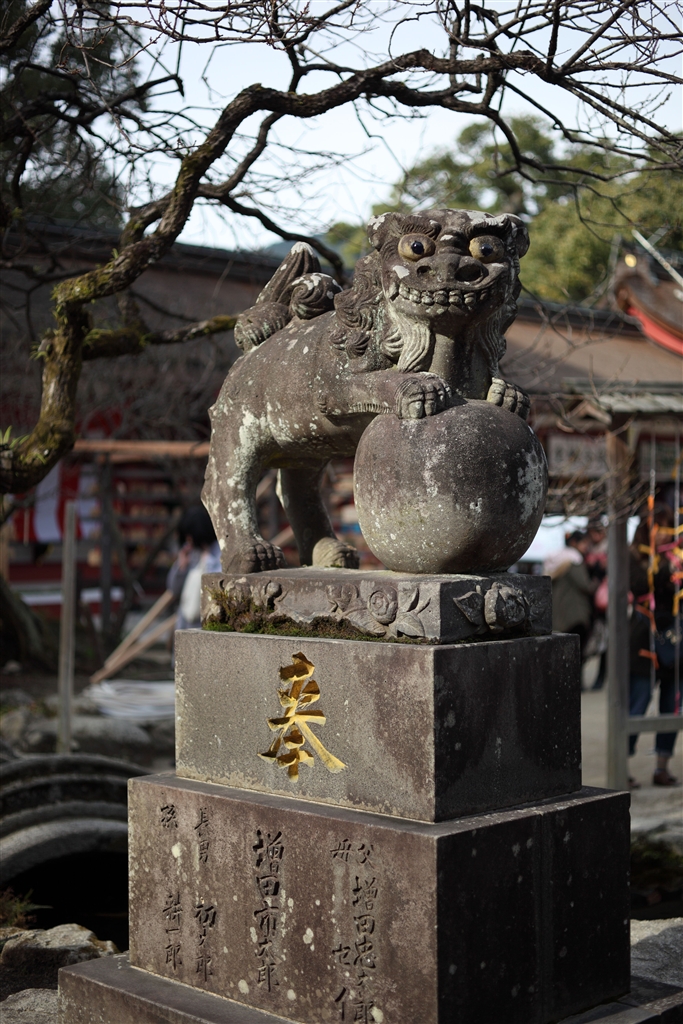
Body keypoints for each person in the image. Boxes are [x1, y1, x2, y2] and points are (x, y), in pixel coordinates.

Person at [628, 507, 680, 788]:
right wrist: (663, 570)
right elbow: (638, 586)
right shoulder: (635, 555)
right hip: (643, 640)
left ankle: (662, 766)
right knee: (638, 701)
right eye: (659, 528)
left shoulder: (677, 558)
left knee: (672, 704)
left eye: (668, 529)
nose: (663, 535)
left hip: (674, 640)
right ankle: (622, 763)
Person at [544, 530, 597, 665]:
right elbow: (585, 585)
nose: (586, 547)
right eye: (584, 543)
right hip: (575, 615)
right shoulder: (574, 559)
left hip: (557, 615)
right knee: (576, 655)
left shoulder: (554, 559)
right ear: (574, 543)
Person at [167, 505, 221, 631]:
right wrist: (181, 567)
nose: (189, 541)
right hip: (184, 622)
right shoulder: (190, 552)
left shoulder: (218, 553)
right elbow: (173, 589)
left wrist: (208, 561)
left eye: (191, 538)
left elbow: (216, 587)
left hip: (205, 624)